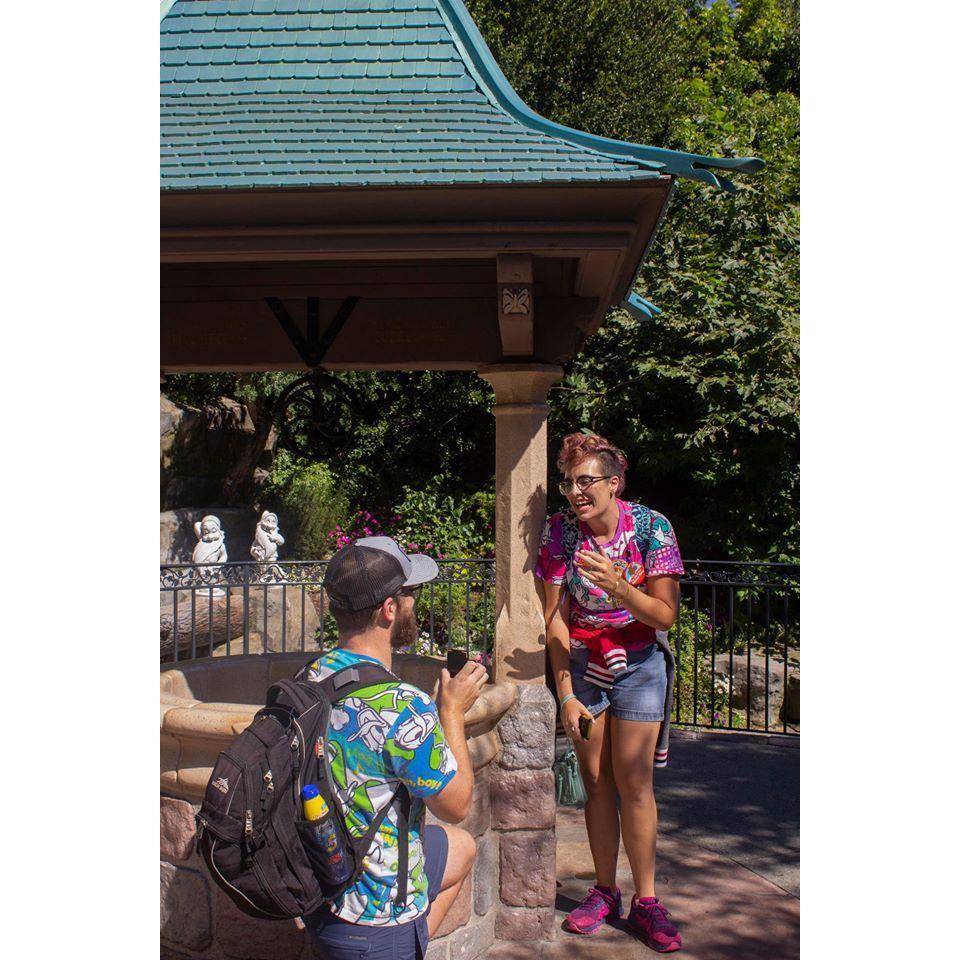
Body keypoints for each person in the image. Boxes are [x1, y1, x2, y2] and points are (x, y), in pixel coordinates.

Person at [299, 536, 487, 960]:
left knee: (460, 848)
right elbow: (456, 806)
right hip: (375, 921)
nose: (414, 605)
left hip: (319, 889)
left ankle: (411, 944)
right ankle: (405, 942)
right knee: (457, 831)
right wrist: (451, 712)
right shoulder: (404, 707)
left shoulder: (306, 678)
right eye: (410, 596)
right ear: (389, 609)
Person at [537, 433, 685, 953]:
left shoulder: (650, 527)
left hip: (641, 662)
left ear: (613, 483)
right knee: (596, 781)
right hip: (584, 665)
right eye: (569, 483)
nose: (576, 492)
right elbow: (554, 621)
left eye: (586, 481)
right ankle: (605, 892)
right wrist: (566, 694)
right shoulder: (560, 535)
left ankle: (647, 902)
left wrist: (621, 586)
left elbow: (665, 614)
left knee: (634, 781)